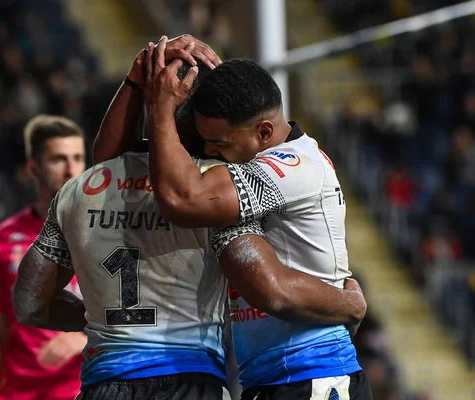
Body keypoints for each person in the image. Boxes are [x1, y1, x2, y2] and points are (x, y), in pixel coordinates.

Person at [13, 36, 366, 400]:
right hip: (195, 384)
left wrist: (108, 320)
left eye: (221, 143)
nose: (216, 151)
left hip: (105, 383)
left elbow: (29, 302)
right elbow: (268, 287)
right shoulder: (213, 192)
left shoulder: (80, 190)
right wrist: (350, 305)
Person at [145, 53, 373, 399]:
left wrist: (160, 109)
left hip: (311, 374)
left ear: (264, 131)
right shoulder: (259, 156)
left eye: (220, 143)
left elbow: (183, 200)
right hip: (275, 377)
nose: (210, 151)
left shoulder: (294, 164)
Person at [0, 115, 87, 400]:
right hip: (18, 392)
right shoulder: (6, 236)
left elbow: (137, 314)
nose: (71, 169)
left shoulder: (105, 231)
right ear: (34, 168)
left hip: (80, 389)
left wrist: (82, 337)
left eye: (78, 158)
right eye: (58, 159)